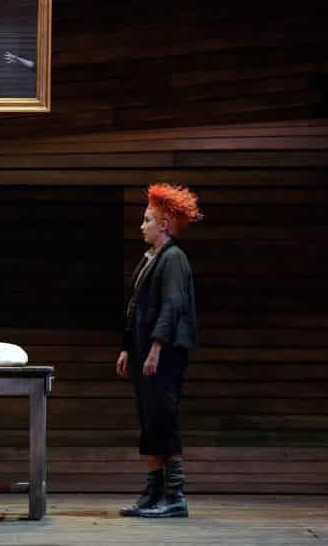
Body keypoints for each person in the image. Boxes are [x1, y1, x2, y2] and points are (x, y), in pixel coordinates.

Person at [116, 183, 202, 518]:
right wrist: (127, 347)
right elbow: (135, 306)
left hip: (163, 354)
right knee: (149, 419)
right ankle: (153, 493)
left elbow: (173, 305)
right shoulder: (151, 258)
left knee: (163, 418)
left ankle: (174, 495)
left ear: (164, 225)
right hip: (144, 351)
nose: (142, 226)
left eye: (148, 220)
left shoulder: (173, 258)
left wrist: (156, 348)